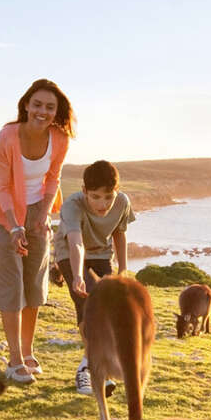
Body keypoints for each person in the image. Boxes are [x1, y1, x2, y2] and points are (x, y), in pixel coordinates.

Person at [0, 79, 75, 384]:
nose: (42, 111)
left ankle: (27, 350)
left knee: (34, 282)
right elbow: (0, 186)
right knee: (12, 282)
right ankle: (13, 360)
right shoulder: (7, 137)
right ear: (26, 105)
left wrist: (43, 216)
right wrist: (14, 226)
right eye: (37, 104)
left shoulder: (59, 138)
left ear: (56, 111)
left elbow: (53, 178)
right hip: (4, 211)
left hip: (38, 208)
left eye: (50, 107)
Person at [53, 159, 135, 395]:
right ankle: (86, 370)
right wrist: (77, 275)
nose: (103, 203)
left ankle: (95, 366)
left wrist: (123, 270)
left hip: (101, 254)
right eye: (96, 196)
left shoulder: (122, 203)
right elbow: (76, 242)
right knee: (88, 304)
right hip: (69, 253)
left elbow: (120, 234)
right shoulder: (72, 205)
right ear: (84, 191)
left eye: (108, 196)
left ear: (116, 192)